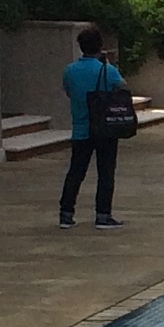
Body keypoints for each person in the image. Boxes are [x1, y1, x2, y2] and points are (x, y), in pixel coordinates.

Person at [58, 26, 126, 227]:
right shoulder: (108, 70)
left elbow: (69, 92)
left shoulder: (70, 71)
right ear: (100, 46)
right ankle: (103, 214)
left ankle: (66, 213)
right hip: (105, 128)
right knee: (105, 172)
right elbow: (123, 88)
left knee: (76, 171)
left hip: (80, 129)